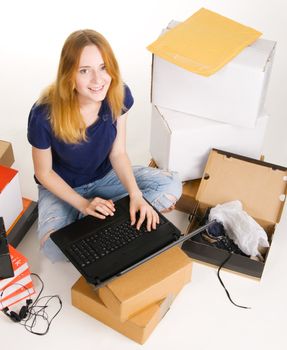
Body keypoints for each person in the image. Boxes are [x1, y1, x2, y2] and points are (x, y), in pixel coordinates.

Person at [27, 29, 182, 263]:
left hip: (105, 176)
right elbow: (44, 172)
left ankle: (104, 221)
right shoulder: (43, 115)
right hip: (62, 186)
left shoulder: (118, 95)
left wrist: (136, 195)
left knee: (171, 185)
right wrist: (83, 204)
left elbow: (118, 153)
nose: (98, 80)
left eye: (103, 67)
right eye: (84, 71)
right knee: (53, 248)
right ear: (69, 75)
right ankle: (105, 217)